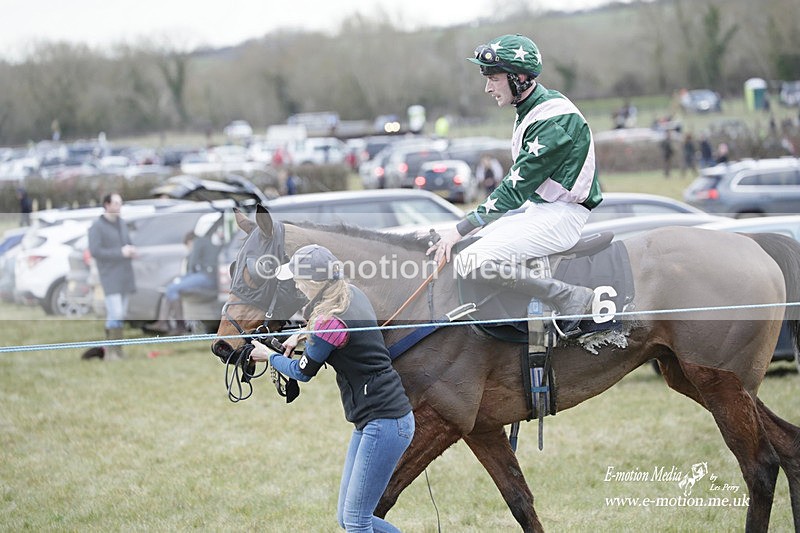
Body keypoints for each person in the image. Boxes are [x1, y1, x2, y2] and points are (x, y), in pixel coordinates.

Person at [427, 33, 603, 337]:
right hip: (542, 211)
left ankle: (568, 296)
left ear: (519, 78)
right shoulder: (533, 108)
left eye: (493, 78)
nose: (487, 87)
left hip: (561, 216)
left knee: (471, 260)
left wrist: (461, 227)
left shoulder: (552, 119)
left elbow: (515, 188)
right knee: (468, 247)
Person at [249, 245, 414, 533]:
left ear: (314, 283)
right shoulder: (351, 294)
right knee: (348, 518)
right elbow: (333, 333)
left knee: (356, 522)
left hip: (385, 421)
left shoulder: (330, 321)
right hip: (375, 419)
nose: (296, 285)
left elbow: (302, 372)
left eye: (299, 279)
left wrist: (269, 355)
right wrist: (303, 333)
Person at [145, 213, 223, 335]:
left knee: (172, 289)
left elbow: (196, 270)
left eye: (188, 246)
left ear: (191, 242)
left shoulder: (200, 245)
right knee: (170, 290)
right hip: (202, 276)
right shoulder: (204, 245)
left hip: (206, 277)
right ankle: (167, 323)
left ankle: (175, 325)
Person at [81, 193, 137, 360]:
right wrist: (120, 252)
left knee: (121, 314)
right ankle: (111, 352)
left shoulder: (121, 223)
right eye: (116, 203)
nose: (119, 207)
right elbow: (96, 251)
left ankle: (116, 351)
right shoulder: (97, 227)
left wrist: (131, 250)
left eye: (121, 203)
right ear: (107, 205)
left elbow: (127, 242)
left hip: (125, 275)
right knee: (116, 313)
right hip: (110, 276)